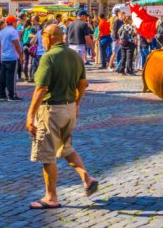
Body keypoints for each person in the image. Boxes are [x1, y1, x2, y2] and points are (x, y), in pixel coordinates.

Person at [26, 22, 98, 209]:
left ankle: (51, 197)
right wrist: (77, 103)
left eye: (43, 37)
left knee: (47, 155)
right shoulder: (75, 56)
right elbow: (83, 84)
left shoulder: (48, 58)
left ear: (49, 37)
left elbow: (41, 88)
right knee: (65, 148)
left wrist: (30, 115)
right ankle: (87, 178)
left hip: (51, 111)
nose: (42, 40)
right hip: (69, 109)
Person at [0, 16, 23, 102]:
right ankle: (12, 95)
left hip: (4, 57)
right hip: (12, 57)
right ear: (13, 22)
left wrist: (1, 55)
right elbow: (16, 45)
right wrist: (21, 56)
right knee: (11, 77)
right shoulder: (13, 31)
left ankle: (1, 95)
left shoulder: (2, 31)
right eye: (15, 22)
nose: (16, 24)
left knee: (3, 76)